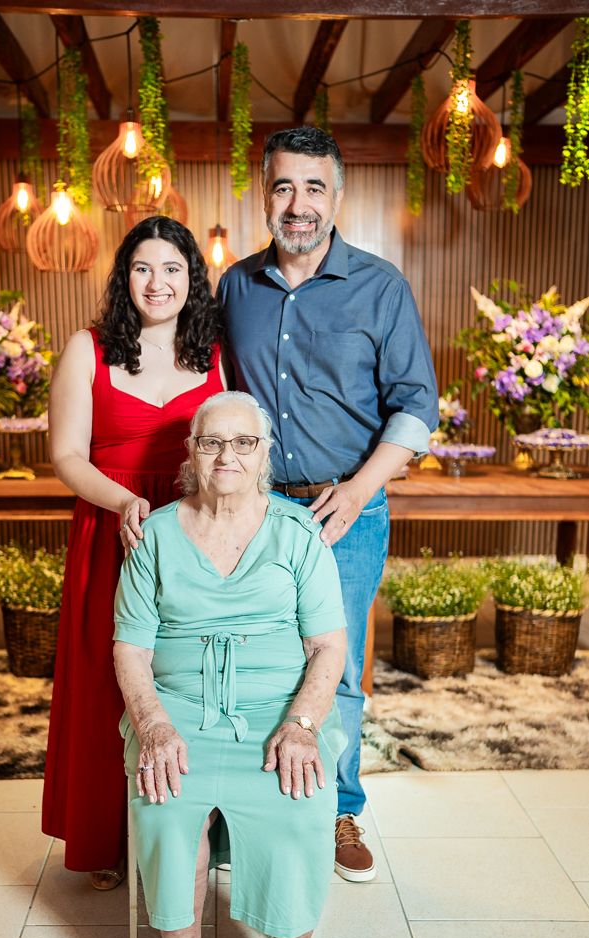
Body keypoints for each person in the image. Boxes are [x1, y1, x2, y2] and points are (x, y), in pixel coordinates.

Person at [216, 127, 439, 882]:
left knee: (334, 668)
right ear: (265, 195)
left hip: (346, 510)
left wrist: (361, 487)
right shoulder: (235, 286)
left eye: (314, 187)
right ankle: (244, 808)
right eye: (284, 186)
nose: (298, 204)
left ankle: (336, 809)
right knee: (250, 661)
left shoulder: (380, 286)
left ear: (336, 197)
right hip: (253, 513)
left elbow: (416, 405)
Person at [114, 391, 347, 938]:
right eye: (212, 441)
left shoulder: (298, 533)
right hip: (177, 707)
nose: (227, 455)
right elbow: (130, 648)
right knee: (164, 801)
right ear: (191, 453)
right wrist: (153, 723)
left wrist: (302, 723)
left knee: (299, 800)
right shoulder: (155, 534)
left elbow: (328, 646)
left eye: (243, 442)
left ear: (264, 454)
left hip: (278, 707)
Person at [43, 216, 226, 889]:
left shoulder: (214, 353)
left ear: (191, 279)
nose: (157, 282)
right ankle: (105, 839)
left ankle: (190, 837)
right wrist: (123, 502)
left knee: (187, 677)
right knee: (106, 679)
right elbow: (66, 455)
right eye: (143, 268)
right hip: (112, 529)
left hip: (192, 533)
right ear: (124, 277)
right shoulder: (87, 349)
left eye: (172, 269)